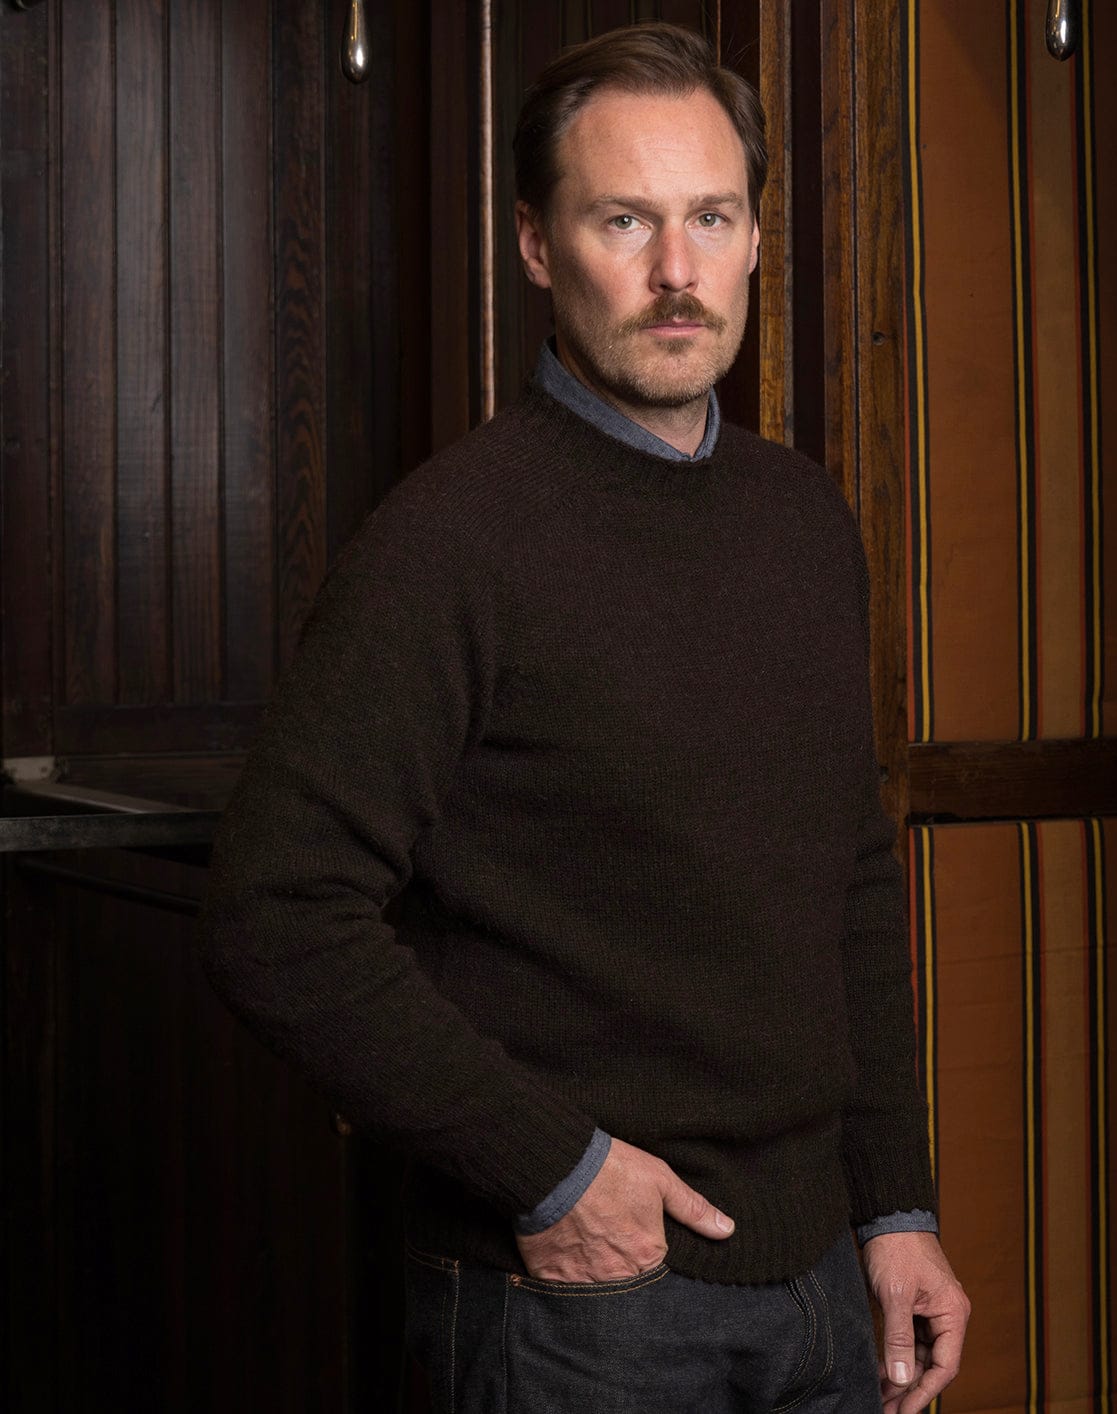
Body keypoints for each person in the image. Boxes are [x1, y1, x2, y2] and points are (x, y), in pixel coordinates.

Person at [199, 22, 969, 1414]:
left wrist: (896, 1205)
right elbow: (276, 907)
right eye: (626, 219)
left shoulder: (804, 522)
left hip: (825, 1300)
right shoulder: (448, 544)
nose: (677, 272)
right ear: (538, 247)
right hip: (575, 1305)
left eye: (711, 218)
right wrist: (555, 1169)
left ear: (752, 240)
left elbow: (849, 879)